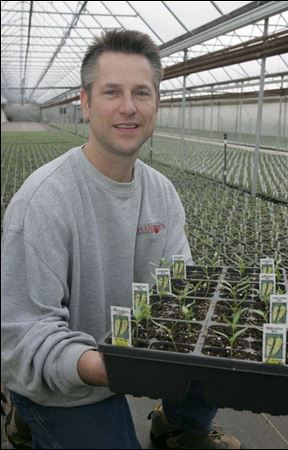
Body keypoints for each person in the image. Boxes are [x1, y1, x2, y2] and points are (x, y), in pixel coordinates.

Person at [1, 29, 243, 450]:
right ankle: (29, 413)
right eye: (112, 91)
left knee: (220, 353)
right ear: (86, 101)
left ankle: (178, 427)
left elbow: (182, 288)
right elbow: (23, 336)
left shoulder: (162, 192)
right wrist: (115, 370)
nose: (128, 107)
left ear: (157, 103)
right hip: (68, 379)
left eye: (141, 93)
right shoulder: (44, 201)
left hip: (135, 355)